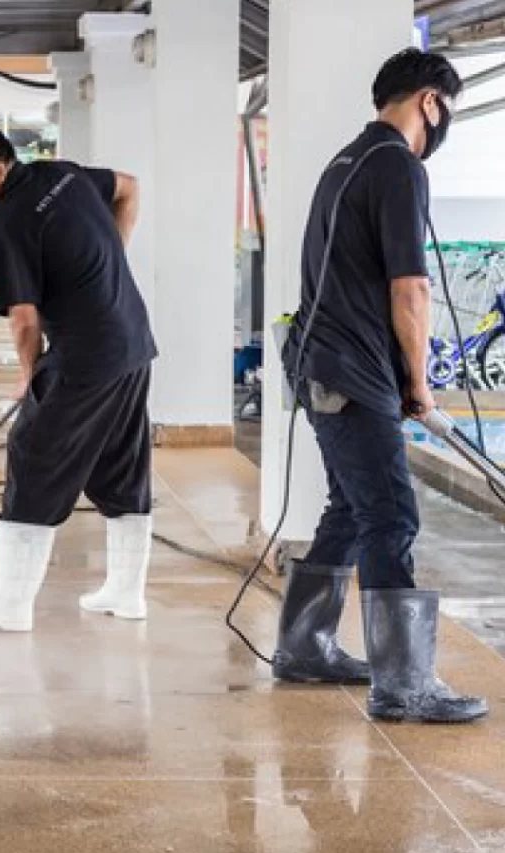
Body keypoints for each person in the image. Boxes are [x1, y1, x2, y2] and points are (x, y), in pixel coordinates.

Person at [275, 49, 487, 723]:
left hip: (319, 360)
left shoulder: (348, 159)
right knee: (392, 515)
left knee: (351, 508)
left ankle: (305, 646)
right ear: (430, 102)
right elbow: (411, 287)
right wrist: (419, 383)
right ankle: (404, 685)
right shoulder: (397, 165)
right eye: (444, 111)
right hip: (347, 366)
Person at [0, 124, 156, 632]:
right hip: (131, 340)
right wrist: (111, 266)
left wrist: (27, 375)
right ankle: (127, 593)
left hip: (86, 354)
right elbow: (128, 186)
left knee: (33, 453)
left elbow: (25, 319)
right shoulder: (63, 174)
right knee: (118, 464)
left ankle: (8, 603)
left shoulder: (11, 222)